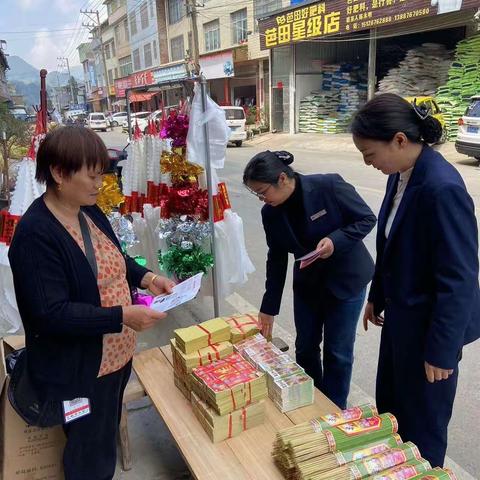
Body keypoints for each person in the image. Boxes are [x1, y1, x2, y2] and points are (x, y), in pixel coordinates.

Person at [8, 126, 175, 480]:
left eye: (103, 174)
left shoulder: (88, 210)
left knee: (102, 435)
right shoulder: (36, 234)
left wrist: (148, 279)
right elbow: (51, 314)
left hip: (116, 358)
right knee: (88, 454)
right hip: (80, 372)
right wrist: (122, 315)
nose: (100, 183)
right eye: (92, 175)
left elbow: (115, 257)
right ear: (58, 173)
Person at [351, 93, 480, 467]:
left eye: (370, 154)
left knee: (423, 426)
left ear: (400, 140)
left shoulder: (442, 188)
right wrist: (377, 295)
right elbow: (391, 244)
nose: (367, 162)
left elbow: (458, 277)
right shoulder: (401, 174)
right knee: (391, 410)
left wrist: (441, 349)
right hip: (401, 321)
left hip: (430, 333)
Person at [243, 151, 376, 409]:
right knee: (304, 348)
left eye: (262, 191)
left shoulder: (328, 186)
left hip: (345, 282)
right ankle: (311, 402)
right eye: (256, 194)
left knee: (337, 353)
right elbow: (277, 258)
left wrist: (335, 241)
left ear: (282, 178)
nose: (261, 199)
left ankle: (334, 408)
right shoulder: (270, 213)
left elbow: (366, 219)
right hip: (308, 285)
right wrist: (268, 308)